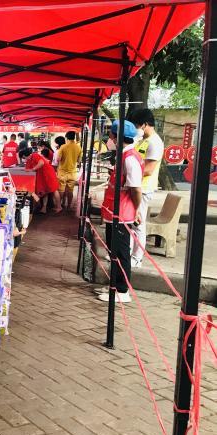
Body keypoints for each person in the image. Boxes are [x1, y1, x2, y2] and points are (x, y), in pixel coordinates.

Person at [97, 120, 144, 303]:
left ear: (117, 137)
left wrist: (136, 209)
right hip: (114, 212)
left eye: (111, 135)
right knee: (113, 251)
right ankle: (114, 285)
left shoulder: (130, 159)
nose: (110, 138)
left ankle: (122, 290)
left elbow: (135, 189)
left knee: (121, 252)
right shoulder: (123, 156)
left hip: (122, 213)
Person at [129, 108, 164, 268]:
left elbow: (149, 169)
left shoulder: (155, 142)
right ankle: (127, 254)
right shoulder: (142, 140)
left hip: (143, 188)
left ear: (144, 124)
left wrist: (129, 172)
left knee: (138, 224)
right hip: (134, 185)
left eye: (136, 125)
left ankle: (137, 258)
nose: (136, 128)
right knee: (131, 222)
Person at [19, 147, 62, 214]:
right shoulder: (29, 160)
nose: (23, 159)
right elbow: (27, 169)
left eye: (23, 157)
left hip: (48, 173)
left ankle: (59, 207)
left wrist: (33, 169)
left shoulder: (34, 155)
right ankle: (43, 208)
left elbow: (41, 163)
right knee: (44, 191)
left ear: (24, 155)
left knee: (54, 190)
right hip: (42, 175)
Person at [56, 130, 83, 210]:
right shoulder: (78, 147)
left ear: (66, 137)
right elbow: (79, 161)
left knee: (61, 190)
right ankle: (69, 205)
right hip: (72, 172)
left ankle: (59, 205)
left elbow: (58, 159)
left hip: (62, 172)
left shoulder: (63, 147)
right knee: (70, 191)